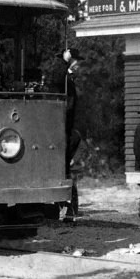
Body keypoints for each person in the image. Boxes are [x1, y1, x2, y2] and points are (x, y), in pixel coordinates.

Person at [61, 49, 83, 219]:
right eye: (76, 63)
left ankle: (71, 209)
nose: (78, 66)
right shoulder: (63, 79)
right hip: (64, 131)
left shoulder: (70, 80)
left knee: (68, 172)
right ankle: (69, 208)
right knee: (66, 173)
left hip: (71, 132)